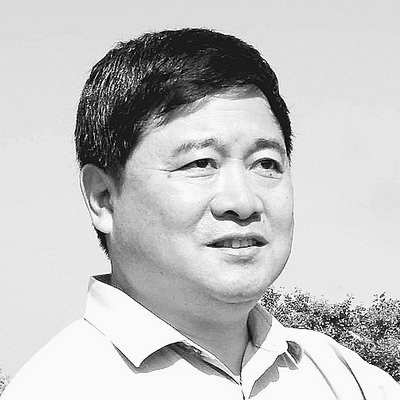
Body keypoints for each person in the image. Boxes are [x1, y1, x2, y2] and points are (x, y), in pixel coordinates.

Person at [3, 28, 399, 399]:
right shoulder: (59, 387)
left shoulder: (347, 379)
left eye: (265, 164)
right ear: (103, 198)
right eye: (200, 164)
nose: (243, 202)